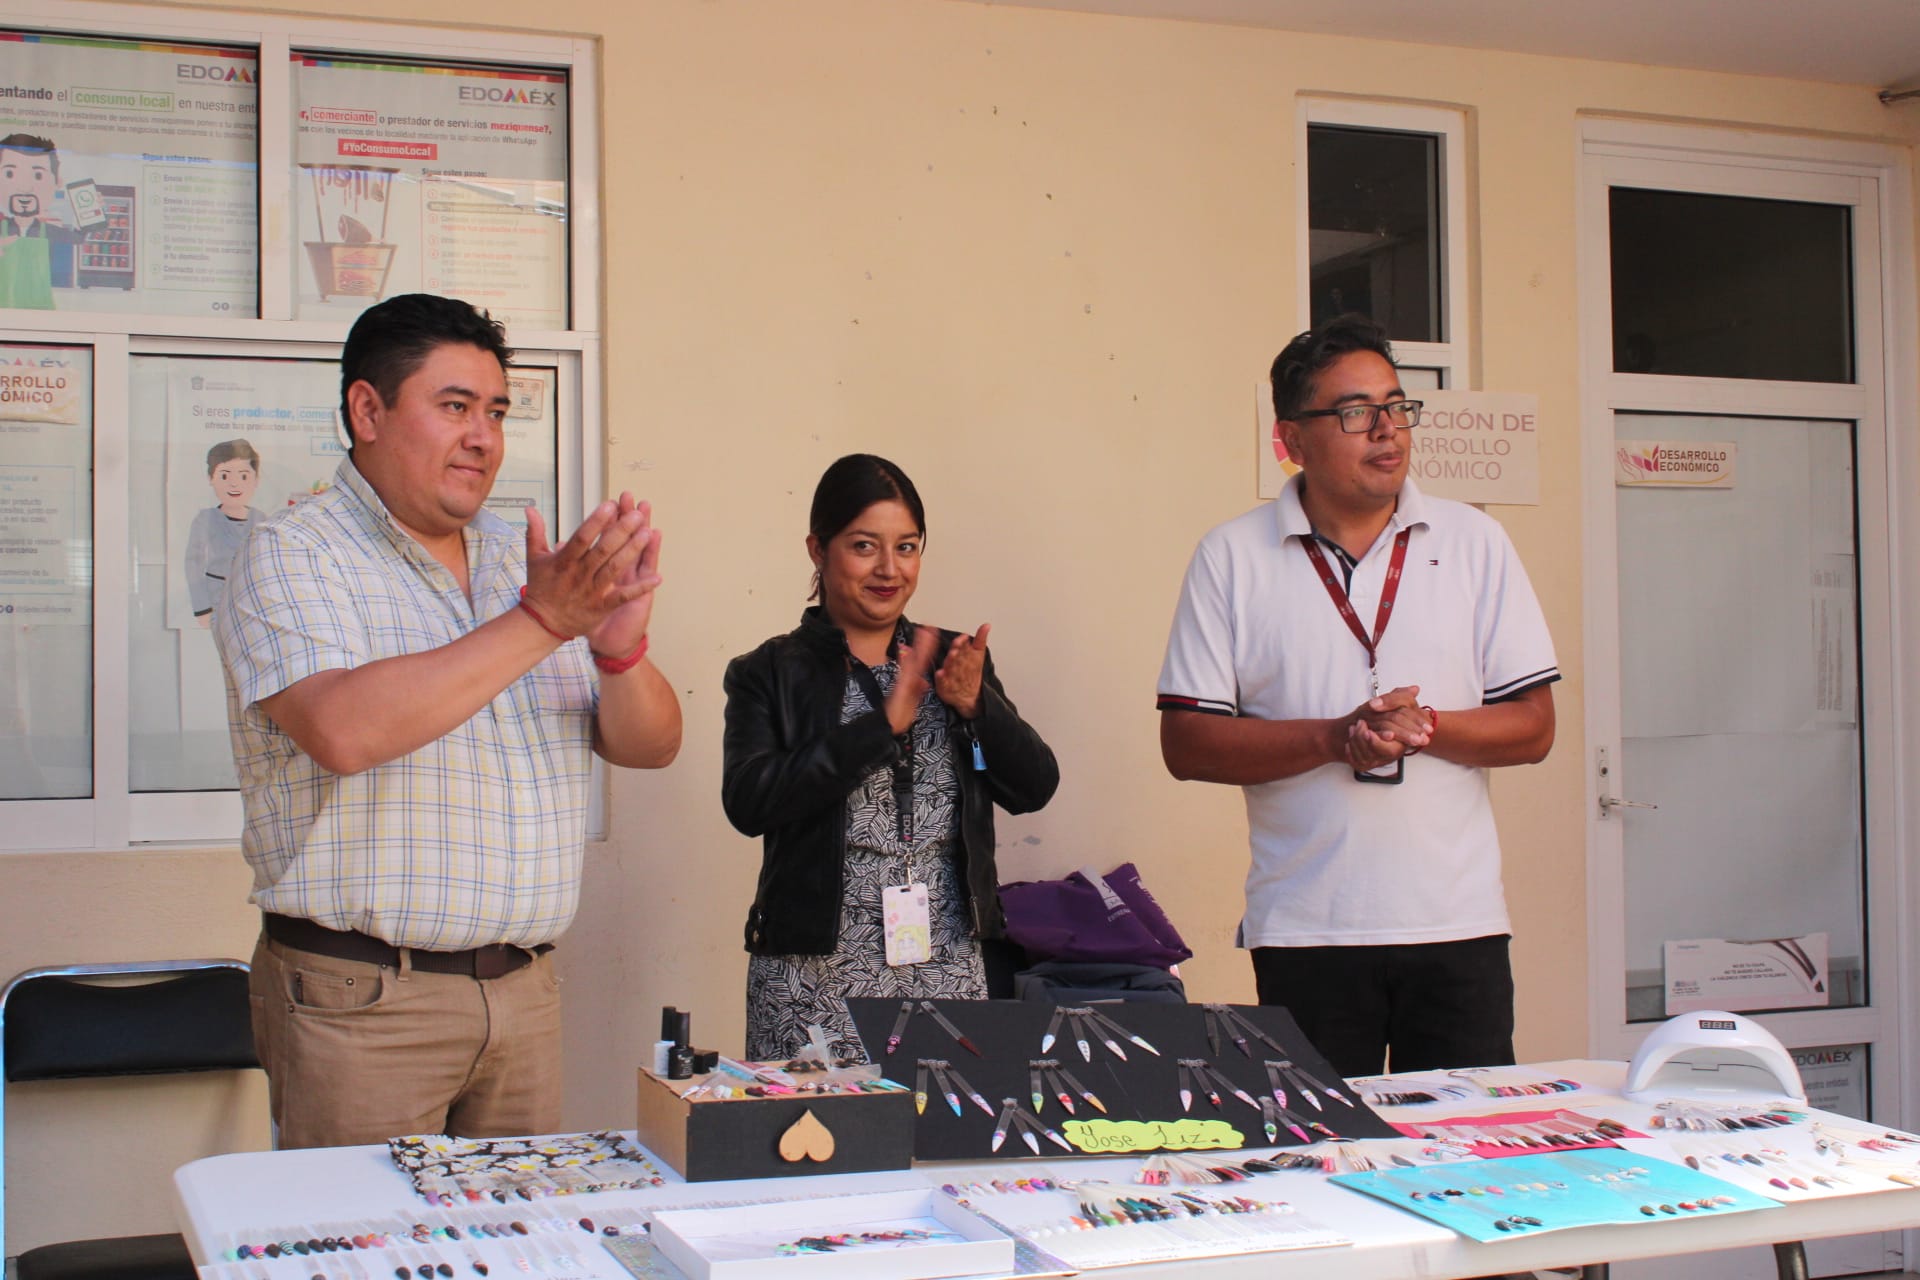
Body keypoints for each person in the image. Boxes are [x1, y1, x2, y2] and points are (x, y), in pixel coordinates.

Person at [213, 293, 681, 1148]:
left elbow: (652, 746)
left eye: (496, 412)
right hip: (364, 1000)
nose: (484, 437)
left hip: (523, 994)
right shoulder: (291, 550)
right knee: (364, 1257)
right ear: (367, 410)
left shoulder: (520, 559)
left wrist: (617, 649)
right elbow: (343, 730)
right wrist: (543, 621)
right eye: (455, 407)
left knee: (513, 1255)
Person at [1156, 313, 1558, 1078]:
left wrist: (1424, 726)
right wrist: (1333, 740)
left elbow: (1533, 728)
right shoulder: (1231, 556)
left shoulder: (1474, 542)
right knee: (1319, 1163)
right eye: (1354, 413)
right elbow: (1188, 744)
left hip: (1456, 926)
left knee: (1462, 1161)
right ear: (1291, 439)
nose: (1387, 431)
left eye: (1397, 407)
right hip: (1308, 932)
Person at [722, 454, 1059, 1062]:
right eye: (864, 546)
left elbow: (1032, 787)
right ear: (817, 550)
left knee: (944, 1143)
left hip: (947, 962)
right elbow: (749, 801)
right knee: (818, 1149)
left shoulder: (952, 660)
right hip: (813, 975)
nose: (888, 569)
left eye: (906, 547)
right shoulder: (769, 672)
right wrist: (878, 729)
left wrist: (976, 706)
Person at [185, 438, 263, 627]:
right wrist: (202, 608)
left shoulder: (261, 520)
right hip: (215, 599)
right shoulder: (205, 519)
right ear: (211, 478)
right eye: (225, 476)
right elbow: (193, 564)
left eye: (243, 476)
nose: (234, 485)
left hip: (253, 601)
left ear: (255, 480)